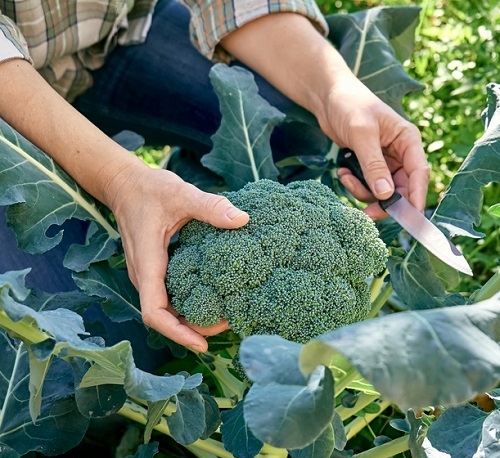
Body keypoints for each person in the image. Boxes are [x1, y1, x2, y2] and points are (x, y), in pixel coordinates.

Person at [0, 0, 429, 353]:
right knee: (97, 338)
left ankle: (183, 193)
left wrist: (334, 90)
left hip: (110, 33)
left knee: (303, 129)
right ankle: (157, 201)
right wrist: (120, 180)